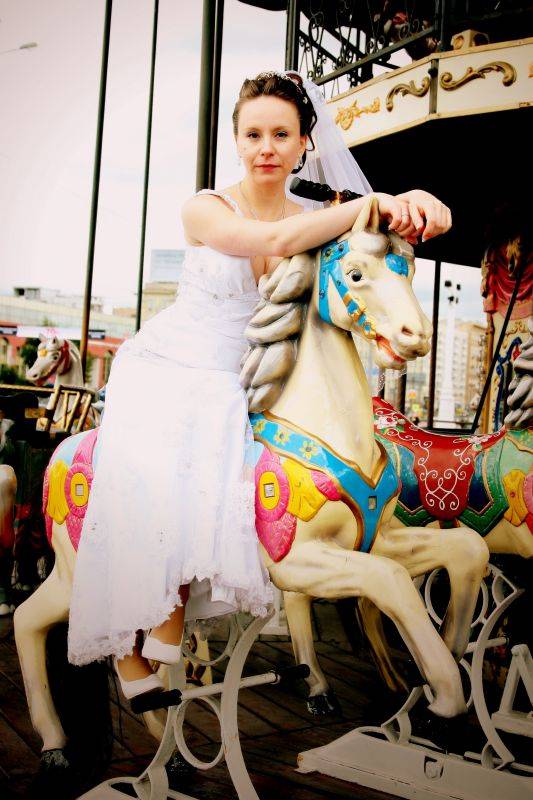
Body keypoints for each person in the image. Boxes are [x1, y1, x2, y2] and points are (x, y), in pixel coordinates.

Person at [68, 71, 451, 701]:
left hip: (246, 372)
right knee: (197, 439)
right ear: (237, 140)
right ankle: (135, 636)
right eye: (253, 134)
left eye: (280, 134)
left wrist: (418, 203)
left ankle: (176, 606)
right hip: (174, 365)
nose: (266, 147)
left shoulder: (318, 218)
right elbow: (272, 241)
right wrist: (373, 201)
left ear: (304, 144)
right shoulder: (205, 208)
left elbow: (371, 256)